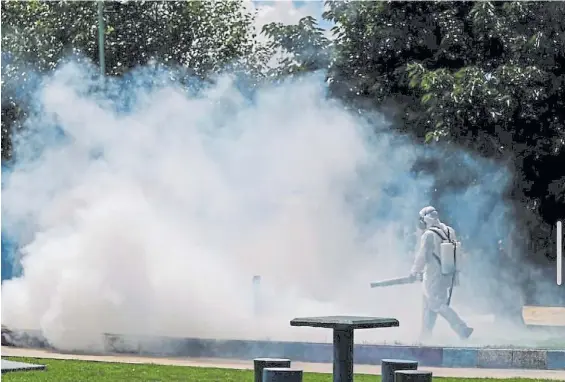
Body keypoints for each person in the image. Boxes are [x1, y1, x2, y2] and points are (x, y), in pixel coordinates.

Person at [410, 206, 474, 340]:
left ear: (425, 220)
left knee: (436, 304)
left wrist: (414, 271)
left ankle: (461, 327)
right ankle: (425, 335)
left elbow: (423, 256)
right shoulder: (449, 231)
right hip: (447, 274)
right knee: (428, 305)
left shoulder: (428, 235)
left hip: (433, 274)